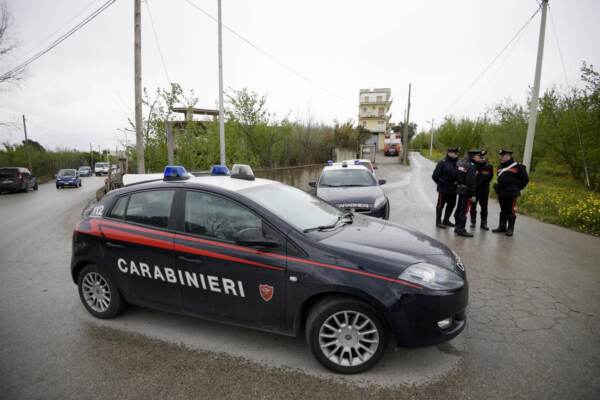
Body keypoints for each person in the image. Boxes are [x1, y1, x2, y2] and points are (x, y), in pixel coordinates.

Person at [492, 149, 529, 236]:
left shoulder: (518, 167)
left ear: (509, 156)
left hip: (512, 193)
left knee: (510, 210)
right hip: (501, 192)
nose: (501, 157)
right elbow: (499, 178)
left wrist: (518, 188)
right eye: (500, 156)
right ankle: (502, 227)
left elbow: (526, 179)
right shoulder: (500, 167)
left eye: (503, 156)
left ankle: (510, 229)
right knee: (503, 210)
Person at [432, 147, 459, 229]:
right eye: (454, 153)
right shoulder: (442, 162)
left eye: (456, 153)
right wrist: (441, 184)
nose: (456, 155)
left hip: (453, 189)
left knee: (452, 205)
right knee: (440, 205)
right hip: (443, 189)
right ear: (449, 153)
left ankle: (446, 220)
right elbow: (434, 176)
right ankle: (438, 222)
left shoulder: (457, 163)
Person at [454, 150, 478, 237]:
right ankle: (461, 229)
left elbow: (456, 175)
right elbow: (471, 182)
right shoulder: (471, 166)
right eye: (478, 156)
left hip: (461, 189)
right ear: (473, 157)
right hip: (467, 191)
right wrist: (472, 195)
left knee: (459, 208)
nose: (479, 157)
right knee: (464, 210)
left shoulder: (461, 163)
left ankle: (457, 227)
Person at [470, 149, 494, 230]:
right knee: (473, 206)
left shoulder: (489, 166)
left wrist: (484, 183)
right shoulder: (473, 165)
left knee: (484, 207)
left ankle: (484, 223)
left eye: (482, 157)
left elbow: (490, 177)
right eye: (479, 157)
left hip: (484, 190)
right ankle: (473, 222)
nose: (481, 158)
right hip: (474, 190)